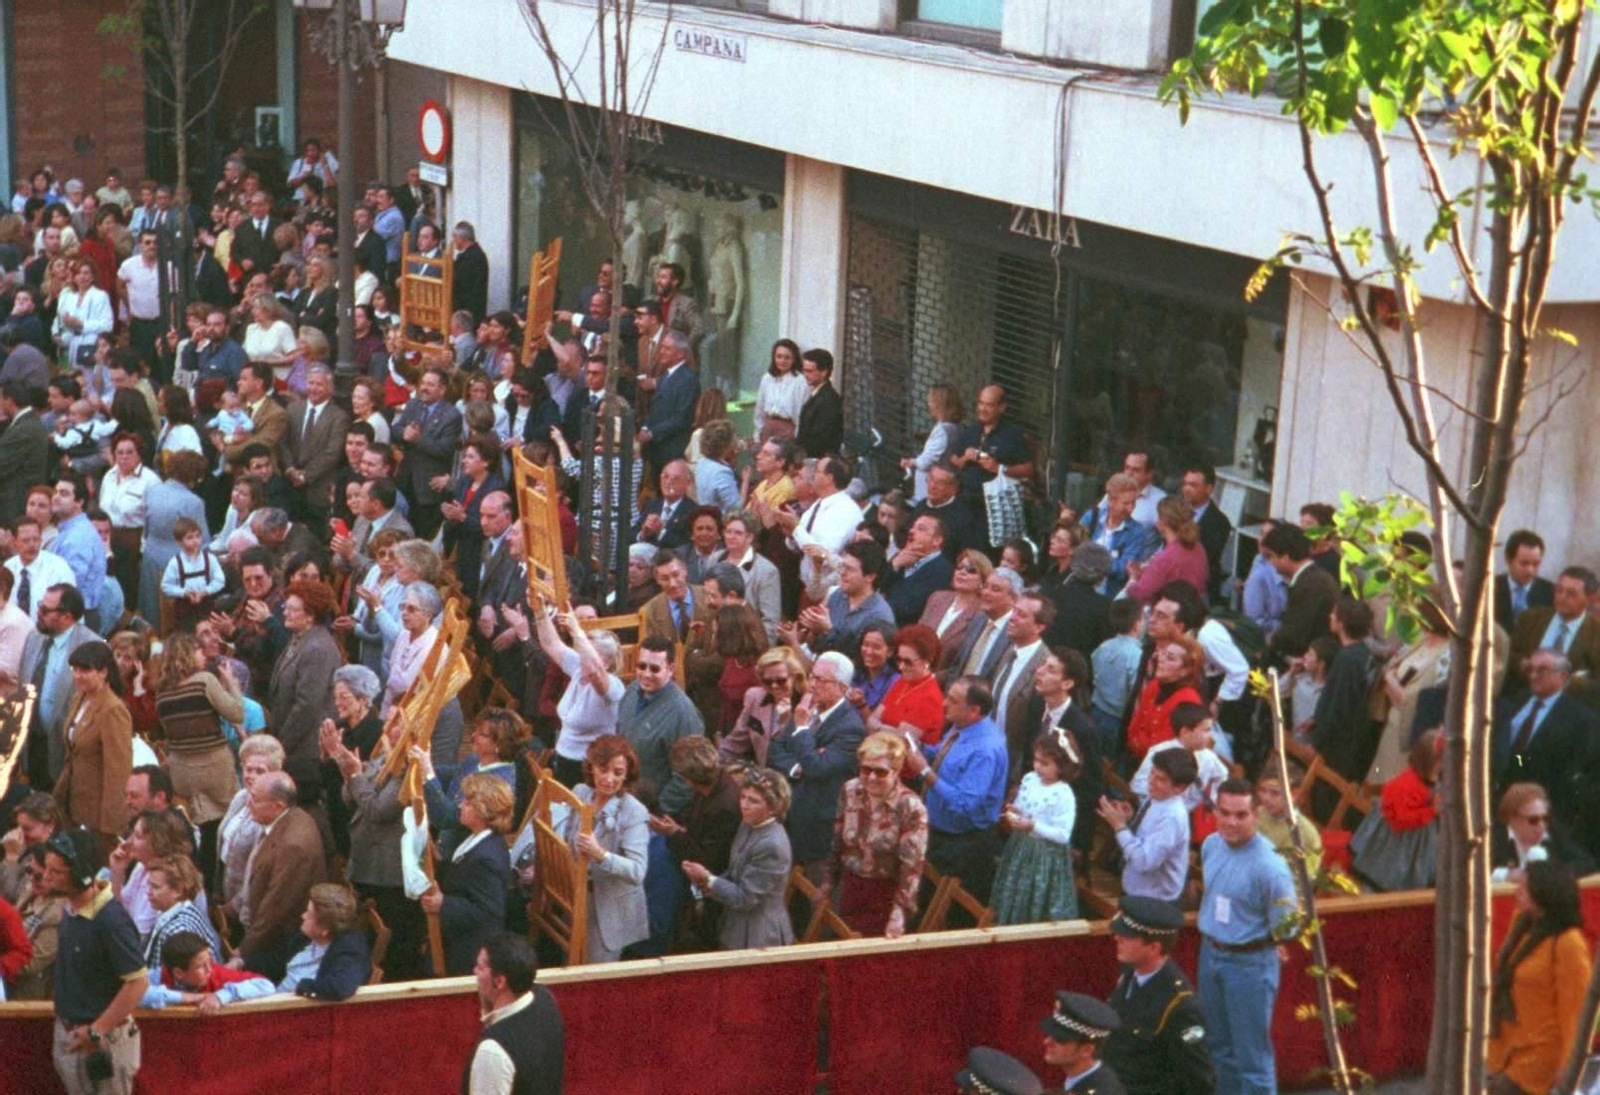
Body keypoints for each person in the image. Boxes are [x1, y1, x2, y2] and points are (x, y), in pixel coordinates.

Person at [1197, 779, 1297, 1095]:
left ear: (1256, 814)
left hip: (1249, 964)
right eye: (1224, 812)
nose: (1231, 822)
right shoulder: (1211, 845)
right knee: (1219, 1047)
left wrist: (1271, 944)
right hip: (1210, 954)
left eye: (1241, 815)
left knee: (1252, 1059)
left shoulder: (1271, 868)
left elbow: (1287, 926)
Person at [44, 827, 146, 1095]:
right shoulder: (70, 908)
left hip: (103, 1041)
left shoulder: (111, 921)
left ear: (80, 874)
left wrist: (96, 1030)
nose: (46, 877)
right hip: (71, 1034)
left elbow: (137, 983)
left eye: (56, 872)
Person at [1488, 861, 1592, 1095]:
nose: (1517, 892)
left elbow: (1576, 1011)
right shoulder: (1522, 923)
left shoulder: (1568, 943)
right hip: (1505, 1049)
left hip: (1540, 1057)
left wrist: (1569, 1065)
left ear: (1544, 895)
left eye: (1525, 888)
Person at [902, 675, 1008, 902]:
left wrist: (924, 771)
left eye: (952, 700)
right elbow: (944, 754)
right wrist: (920, 747)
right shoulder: (961, 726)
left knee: (943, 909)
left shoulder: (984, 749)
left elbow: (963, 803)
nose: (944, 703)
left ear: (974, 710)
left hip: (963, 846)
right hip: (942, 835)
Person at [151, 631, 243, 880]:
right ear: (188, 654)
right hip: (214, 765)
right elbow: (236, 713)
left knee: (202, 828)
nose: (204, 655)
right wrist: (231, 683)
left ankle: (197, 880)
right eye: (200, 651)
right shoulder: (204, 681)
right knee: (224, 827)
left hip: (182, 770)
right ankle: (218, 886)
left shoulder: (162, 694)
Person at [768, 651, 866, 881]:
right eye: (811, 676)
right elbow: (776, 750)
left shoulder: (850, 728)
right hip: (787, 811)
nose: (811, 685)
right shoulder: (808, 707)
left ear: (842, 687)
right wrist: (797, 767)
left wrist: (802, 730)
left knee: (806, 893)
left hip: (814, 825)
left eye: (820, 680)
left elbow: (817, 768)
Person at [1102, 895, 1213, 1095]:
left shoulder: (1180, 1005)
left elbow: (1198, 1081)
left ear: (1154, 947)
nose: (1117, 938)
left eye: (1127, 936)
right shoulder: (1129, 977)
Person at [554, 735, 649, 963]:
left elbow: (637, 871)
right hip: (575, 898)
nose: (609, 779)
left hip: (608, 911)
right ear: (591, 767)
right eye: (603, 769)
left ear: (627, 775)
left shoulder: (634, 811)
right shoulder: (580, 792)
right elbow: (564, 835)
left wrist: (601, 855)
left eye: (617, 773)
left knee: (595, 975)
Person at [824, 730, 928, 937]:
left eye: (880, 772)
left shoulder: (911, 807)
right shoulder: (850, 790)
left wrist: (899, 913)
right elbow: (837, 839)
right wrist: (828, 882)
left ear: (896, 771)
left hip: (885, 896)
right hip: (851, 886)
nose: (871, 777)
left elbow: (912, 867)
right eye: (865, 769)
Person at [681, 765, 795, 951]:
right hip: (736, 920)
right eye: (742, 797)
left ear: (773, 808)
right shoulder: (748, 823)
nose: (744, 805)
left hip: (759, 935)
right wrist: (707, 882)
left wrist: (709, 879)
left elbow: (745, 898)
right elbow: (735, 871)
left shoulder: (772, 845)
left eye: (754, 801)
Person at [234, 772, 328, 980]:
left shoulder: (293, 845)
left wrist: (242, 952)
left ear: (278, 806)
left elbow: (275, 909)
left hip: (282, 943)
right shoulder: (291, 817)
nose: (249, 804)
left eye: (256, 799)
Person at [992, 725, 1081, 924]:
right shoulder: (1030, 779)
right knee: (1014, 889)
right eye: (1036, 760)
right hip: (1021, 847)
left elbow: (1063, 835)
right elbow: (1024, 807)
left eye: (1045, 763)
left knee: (1034, 897)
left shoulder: (1063, 793)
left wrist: (1033, 826)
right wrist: (1014, 811)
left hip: (1044, 857)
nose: (1038, 766)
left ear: (1062, 766)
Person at [52, 641, 133, 855]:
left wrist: (111, 825)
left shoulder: (113, 709)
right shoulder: (79, 698)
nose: (78, 675)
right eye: (75, 670)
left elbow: (118, 771)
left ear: (104, 672)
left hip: (97, 811)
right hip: (71, 800)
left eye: (85, 670)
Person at [464, 932, 565, 1095]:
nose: (474, 971)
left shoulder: (492, 1052)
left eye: (481, 967)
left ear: (500, 981)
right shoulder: (545, 997)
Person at [266, 579, 342, 794]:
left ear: (311, 615)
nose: (286, 614)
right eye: (285, 608)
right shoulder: (299, 639)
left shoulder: (317, 648)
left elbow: (307, 705)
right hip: (294, 745)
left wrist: (281, 745)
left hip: (306, 750)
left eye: (293, 609)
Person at [615, 637, 704, 815]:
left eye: (654, 668)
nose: (646, 674)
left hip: (653, 812)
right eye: (642, 666)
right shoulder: (632, 691)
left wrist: (658, 813)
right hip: (624, 798)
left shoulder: (683, 713)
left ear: (670, 669)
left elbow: (687, 777)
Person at [1351, 729, 1442, 892]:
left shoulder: (1434, 781)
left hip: (1420, 840)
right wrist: (1431, 811)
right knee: (1387, 878)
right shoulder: (1406, 785)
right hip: (1397, 843)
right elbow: (1399, 821)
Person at [1100, 748, 1195, 902]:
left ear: (1179, 788)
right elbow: (1145, 839)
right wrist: (1128, 821)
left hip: (1152, 902)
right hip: (1136, 891)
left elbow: (1144, 861)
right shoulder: (1157, 798)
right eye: (1152, 773)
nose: (1151, 781)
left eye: (1161, 779)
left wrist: (1119, 826)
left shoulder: (1171, 818)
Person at [216, 734, 283, 916]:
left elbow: (259, 873)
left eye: (260, 771)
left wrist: (234, 907)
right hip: (226, 890)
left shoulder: (271, 811)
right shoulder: (241, 797)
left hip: (249, 907)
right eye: (248, 769)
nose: (251, 776)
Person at [274, 883, 371, 1001]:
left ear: (324, 930)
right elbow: (277, 956)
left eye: (309, 914)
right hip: (275, 993)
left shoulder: (349, 951)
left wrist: (301, 987)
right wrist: (246, 962)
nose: (303, 916)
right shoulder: (309, 936)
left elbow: (339, 988)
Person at [1124, 635, 1206, 765]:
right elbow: (1132, 729)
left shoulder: (1188, 701)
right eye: (1164, 654)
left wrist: (1139, 741)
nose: (1160, 659)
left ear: (1185, 671)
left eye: (1170, 658)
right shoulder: (1155, 685)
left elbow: (1159, 749)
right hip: (1135, 760)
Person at [1078, 473, 1156, 598]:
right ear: (1110, 501)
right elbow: (1076, 550)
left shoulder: (1136, 531)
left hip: (1107, 596)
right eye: (1125, 503)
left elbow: (1122, 570)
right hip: (1079, 588)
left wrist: (1091, 560)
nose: (1130, 509)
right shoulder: (1091, 517)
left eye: (1133, 503)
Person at [1123, 496, 1209, 605]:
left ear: (1163, 522)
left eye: (1158, 517)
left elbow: (1139, 594)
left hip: (1169, 614)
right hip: (1194, 611)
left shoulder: (1166, 558)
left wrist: (1133, 578)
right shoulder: (1198, 547)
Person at [138, 854, 219, 969]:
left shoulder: (177, 931)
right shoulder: (178, 909)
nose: (149, 892)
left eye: (155, 887)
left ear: (178, 890)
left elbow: (178, 980)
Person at [1039, 990, 1127, 1095]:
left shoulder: (1103, 1090)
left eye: (1059, 1039)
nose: (1046, 1042)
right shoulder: (1089, 1080)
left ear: (1086, 1050)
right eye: (1049, 1035)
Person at [1494, 528, 1553, 628]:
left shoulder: (1550, 593)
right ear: (1508, 560)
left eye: (1536, 564)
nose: (1530, 570)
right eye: (1524, 564)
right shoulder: (1491, 588)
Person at [795, 348, 843, 459]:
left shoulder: (829, 400)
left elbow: (820, 439)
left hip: (817, 460)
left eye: (809, 371)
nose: (805, 375)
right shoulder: (818, 393)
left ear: (824, 372)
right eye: (804, 370)